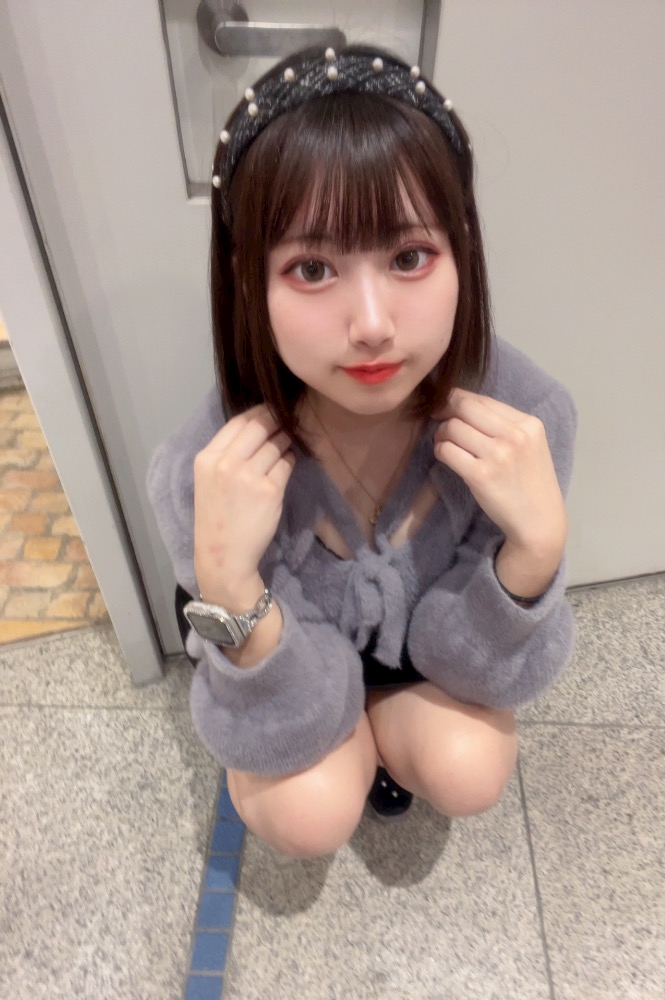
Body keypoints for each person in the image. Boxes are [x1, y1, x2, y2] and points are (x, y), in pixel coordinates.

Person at [147, 44, 577, 858]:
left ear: (462, 250)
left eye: (409, 257)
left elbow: (481, 665)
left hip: (430, 660)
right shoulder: (203, 467)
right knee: (304, 814)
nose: (372, 324)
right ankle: (353, 744)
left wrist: (535, 554)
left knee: (469, 769)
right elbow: (269, 712)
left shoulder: (523, 417)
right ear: (247, 278)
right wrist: (230, 585)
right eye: (313, 268)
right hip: (292, 665)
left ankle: (389, 733)